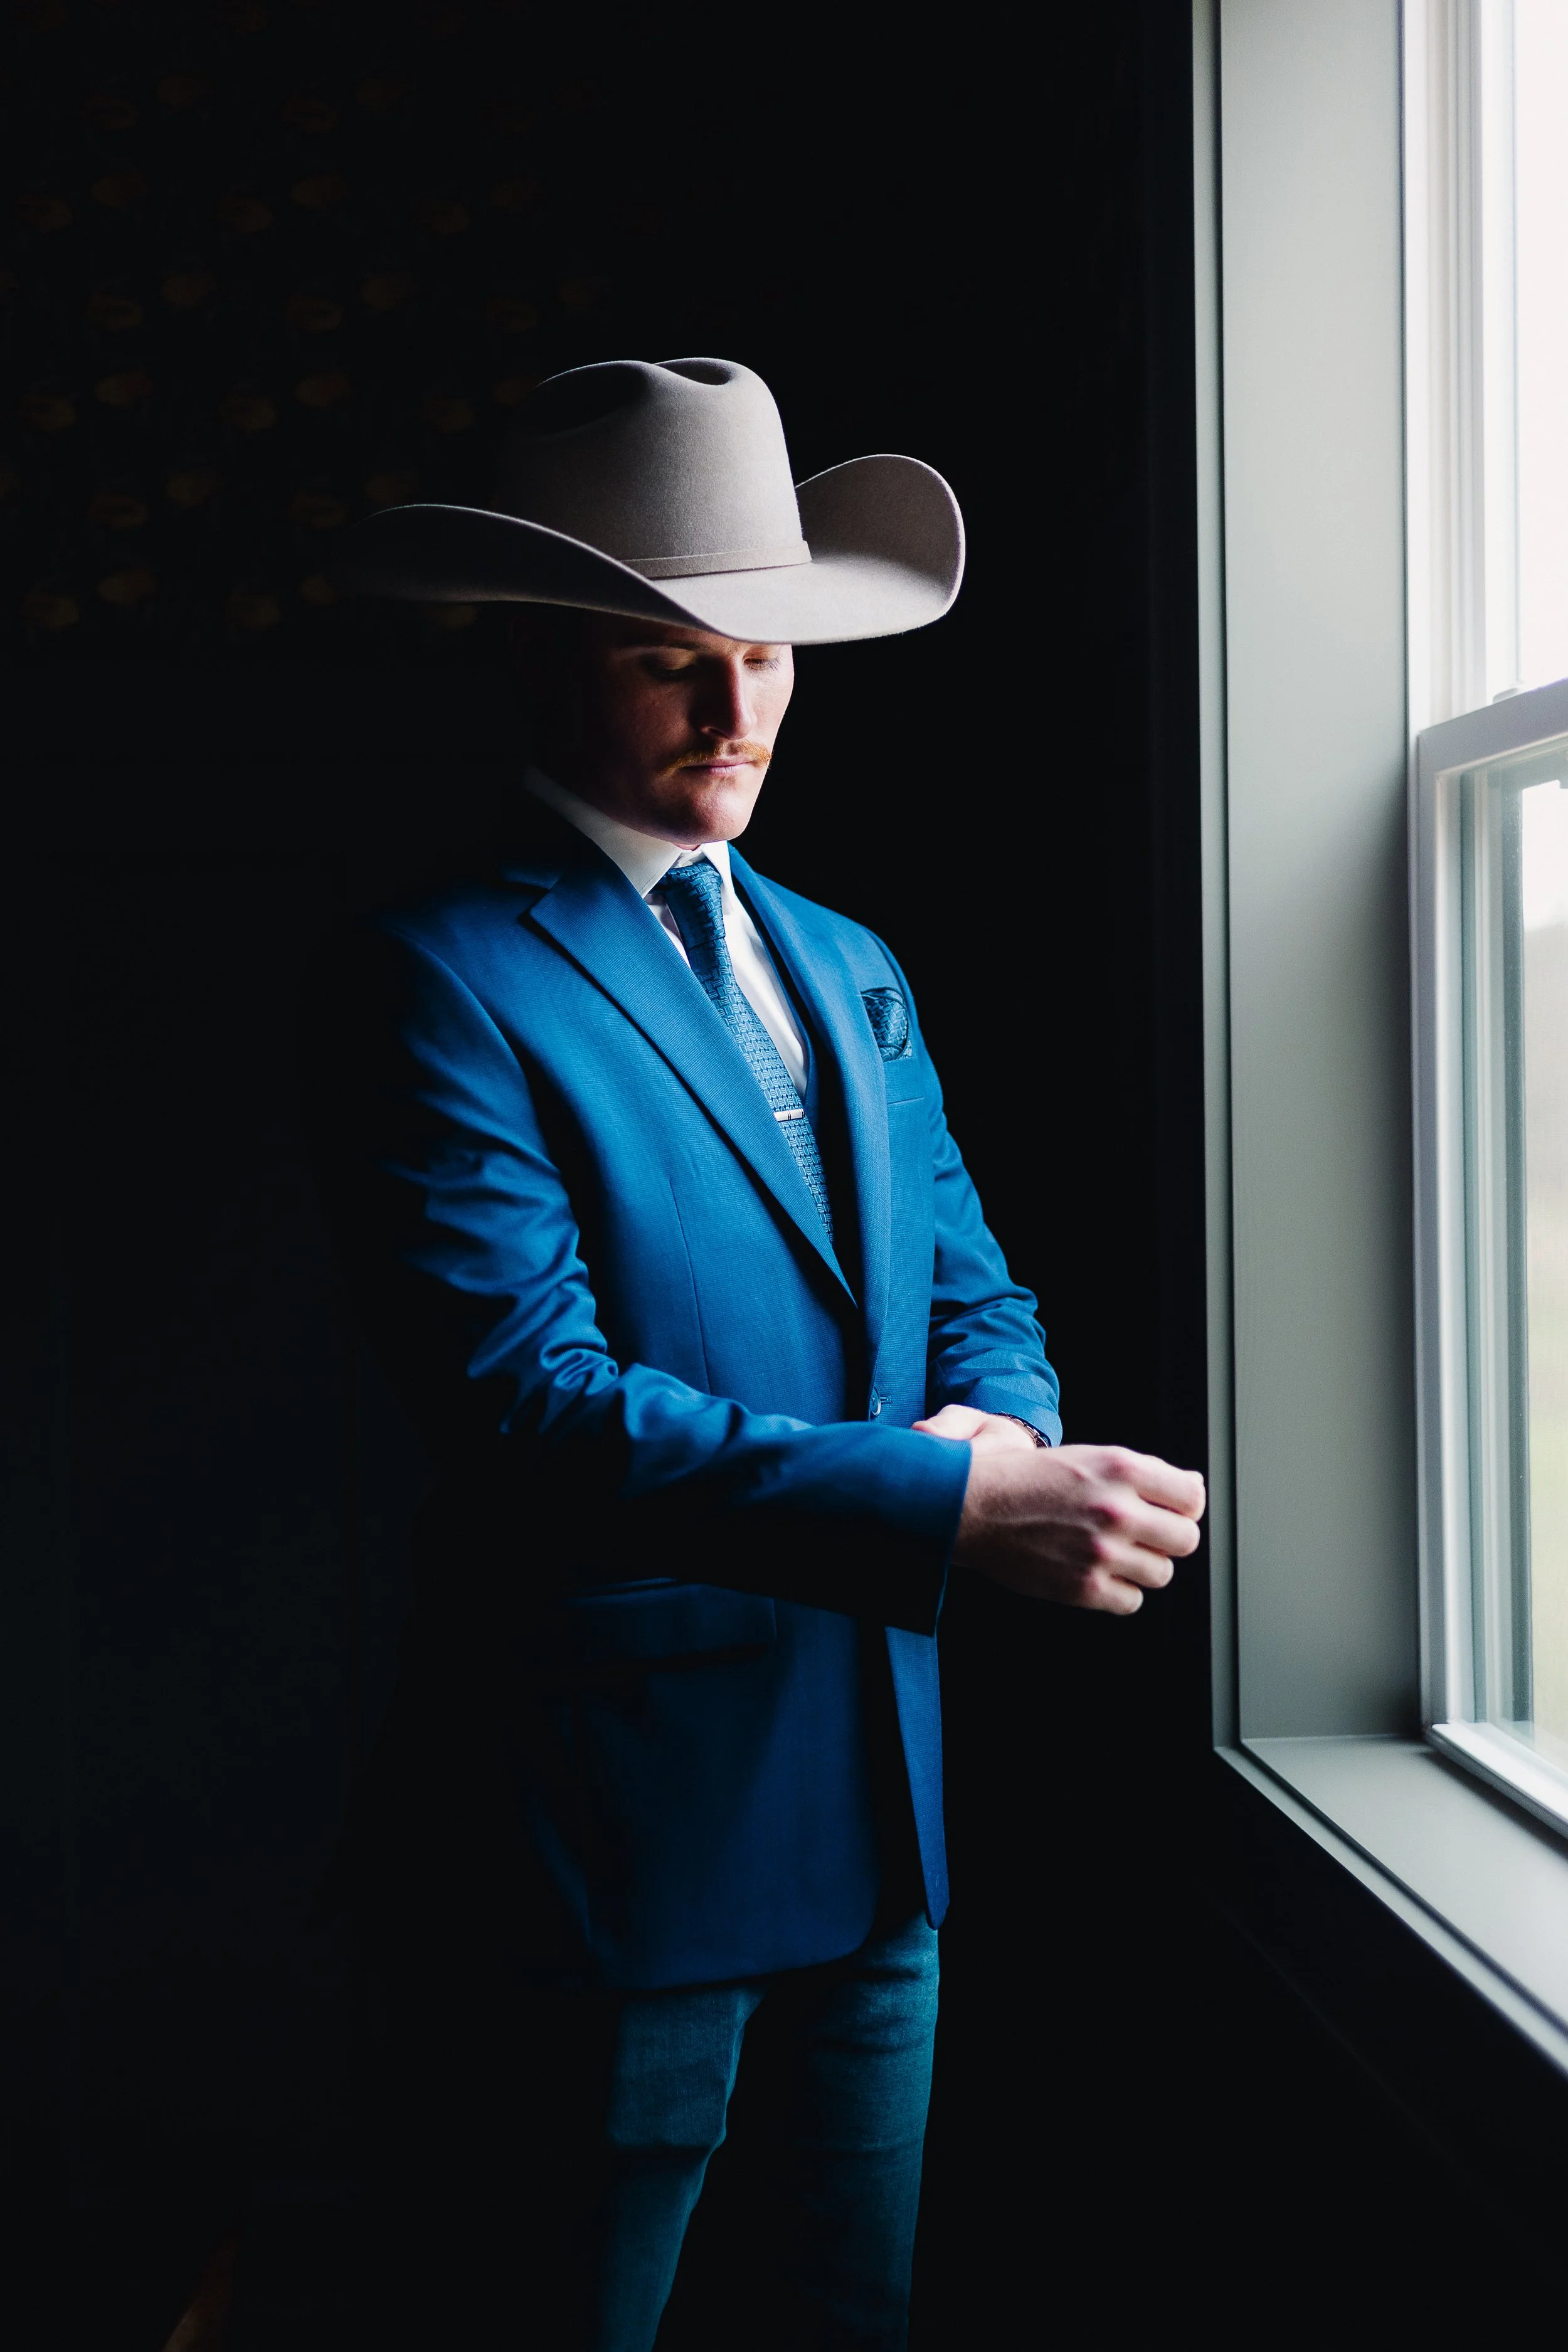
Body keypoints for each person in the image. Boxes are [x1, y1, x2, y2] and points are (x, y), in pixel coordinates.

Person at [307, 357, 1205, 2351]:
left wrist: (1003, 1418)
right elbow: (529, 1408)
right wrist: (956, 1503)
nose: (738, 715)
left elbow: (979, 1286)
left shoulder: (847, 956)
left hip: (880, 1827)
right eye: (666, 662)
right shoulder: (436, 975)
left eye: (769, 658)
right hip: (606, 1846)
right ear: (537, 661)